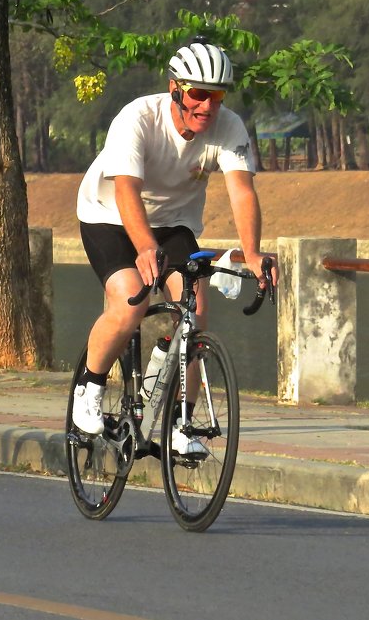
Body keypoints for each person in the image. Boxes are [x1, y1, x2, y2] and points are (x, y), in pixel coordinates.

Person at [72, 39, 274, 454]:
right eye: (198, 94)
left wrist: (252, 253)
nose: (207, 106)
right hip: (108, 214)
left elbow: (241, 192)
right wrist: (144, 247)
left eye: (216, 96)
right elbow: (127, 190)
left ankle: (183, 425)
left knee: (194, 313)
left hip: (174, 224)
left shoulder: (229, 126)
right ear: (175, 89)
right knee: (130, 299)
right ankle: (88, 389)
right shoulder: (138, 118)